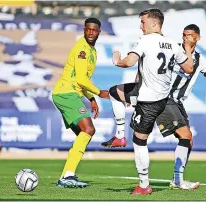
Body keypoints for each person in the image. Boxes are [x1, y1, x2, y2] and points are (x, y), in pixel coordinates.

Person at [99, 9, 193, 195]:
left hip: (148, 100)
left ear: (153, 24)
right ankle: (119, 136)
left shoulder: (145, 40)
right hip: (162, 98)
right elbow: (189, 68)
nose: (140, 26)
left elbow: (129, 61)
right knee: (115, 92)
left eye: (142, 22)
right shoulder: (172, 44)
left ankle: (143, 185)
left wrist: (117, 60)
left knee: (139, 141)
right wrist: (188, 49)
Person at [52, 17, 106, 188]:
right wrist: (99, 92)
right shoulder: (82, 48)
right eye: (88, 29)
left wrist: (91, 98)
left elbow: (80, 79)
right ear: (84, 30)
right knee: (88, 129)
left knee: (84, 134)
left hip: (69, 94)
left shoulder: (92, 51)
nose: (90, 32)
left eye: (94, 30)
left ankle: (66, 176)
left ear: (99, 32)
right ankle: (68, 175)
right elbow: (82, 79)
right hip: (66, 93)